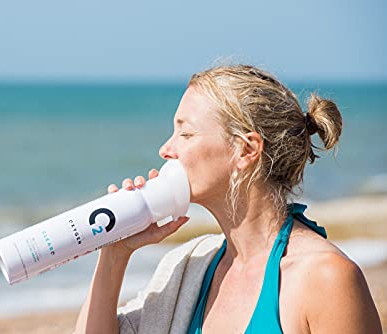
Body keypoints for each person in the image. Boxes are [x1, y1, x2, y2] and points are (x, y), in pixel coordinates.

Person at [74, 64, 382, 333]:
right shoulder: (188, 267)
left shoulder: (325, 279)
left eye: (186, 134)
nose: (166, 149)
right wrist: (114, 255)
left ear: (246, 150)